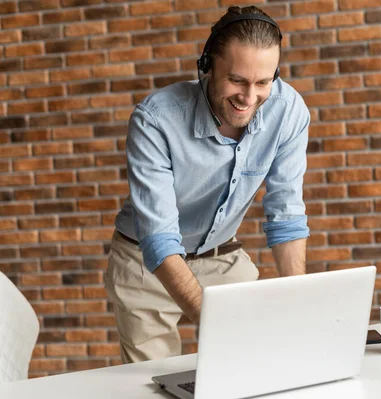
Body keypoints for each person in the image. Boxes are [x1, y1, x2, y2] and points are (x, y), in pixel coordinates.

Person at [103, 5, 310, 364]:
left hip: (220, 255)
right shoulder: (155, 120)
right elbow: (159, 239)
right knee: (152, 381)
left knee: (254, 365)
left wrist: (301, 305)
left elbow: (285, 216)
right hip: (145, 261)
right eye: (237, 80)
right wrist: (215, 323)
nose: (249, 97)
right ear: (207, 66)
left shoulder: (288, 111)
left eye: (263, 82)